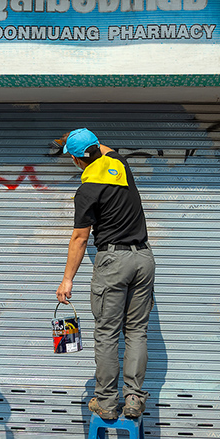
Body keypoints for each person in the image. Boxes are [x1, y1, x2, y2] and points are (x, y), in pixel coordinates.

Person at [55, 128, 155, 420]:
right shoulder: (120, 166)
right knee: (136, 331)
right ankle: (134, 398)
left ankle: (107, 403)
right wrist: (84, 141)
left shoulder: (87, 191)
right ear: (97, 149)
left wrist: (67, 279)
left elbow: (80, 238)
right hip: (144, 258)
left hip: (113, 261)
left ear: (76, 159)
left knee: (108, 334)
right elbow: (104, 149)